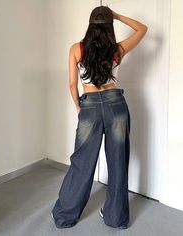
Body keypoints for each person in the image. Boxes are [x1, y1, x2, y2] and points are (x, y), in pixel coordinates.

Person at [51, 5, 148, 229]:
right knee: (117, 162)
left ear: (90, 24)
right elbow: (142, 29)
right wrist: (117, 16)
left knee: (81, 163)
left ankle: (65, 216)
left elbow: (72, 84)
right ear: (109, 26)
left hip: (90, 107)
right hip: (117, 106)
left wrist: (79, 107)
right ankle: (115, 218)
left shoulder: (77, 48)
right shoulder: (117, 50)